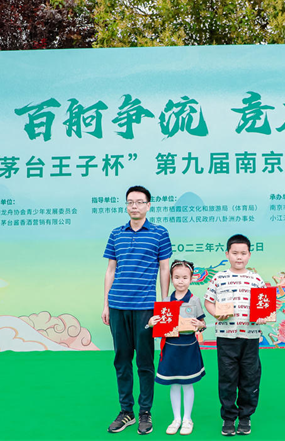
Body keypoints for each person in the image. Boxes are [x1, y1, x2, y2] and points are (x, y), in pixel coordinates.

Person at [102, 185, 172, 435]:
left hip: (145, 308)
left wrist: (164, 305)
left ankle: (144, 412)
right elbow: (111, 270)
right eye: (130, 202)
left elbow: (165, 268)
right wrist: (106, 304)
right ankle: (126, 412)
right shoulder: (116, 234)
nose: (134, 206)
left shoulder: (159, 233)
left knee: (144, 362)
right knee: (121, 361)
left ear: (148, 206)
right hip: (118, 306)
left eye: (140, 202)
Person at [204, 234, 267, 436]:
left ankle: (246, 416)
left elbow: (264, 306)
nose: (239, 257)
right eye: (234, 253)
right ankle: (229, 418)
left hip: (250, 337)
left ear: (249, 255)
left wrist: (263, 316)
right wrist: (216, 313)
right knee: (227, 378)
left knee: (250, 377)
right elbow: (208, 301)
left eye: (243, 253)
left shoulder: (256, 279)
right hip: (226, 338)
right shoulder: (219, 278)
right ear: (227, 254)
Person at [148, 259, 206, 436]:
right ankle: (176, 419)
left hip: (189, 347)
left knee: (187, 384)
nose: (181, 281)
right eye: (177, 277)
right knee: (173, 384)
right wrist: (151, 323)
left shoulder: (195, 300)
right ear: (171, 278)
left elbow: (202, 324)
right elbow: (159, 325)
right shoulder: (166, 301)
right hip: (171, 348)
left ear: (191, 279)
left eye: (185, 278)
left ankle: (188, 419)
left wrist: (199, 324)